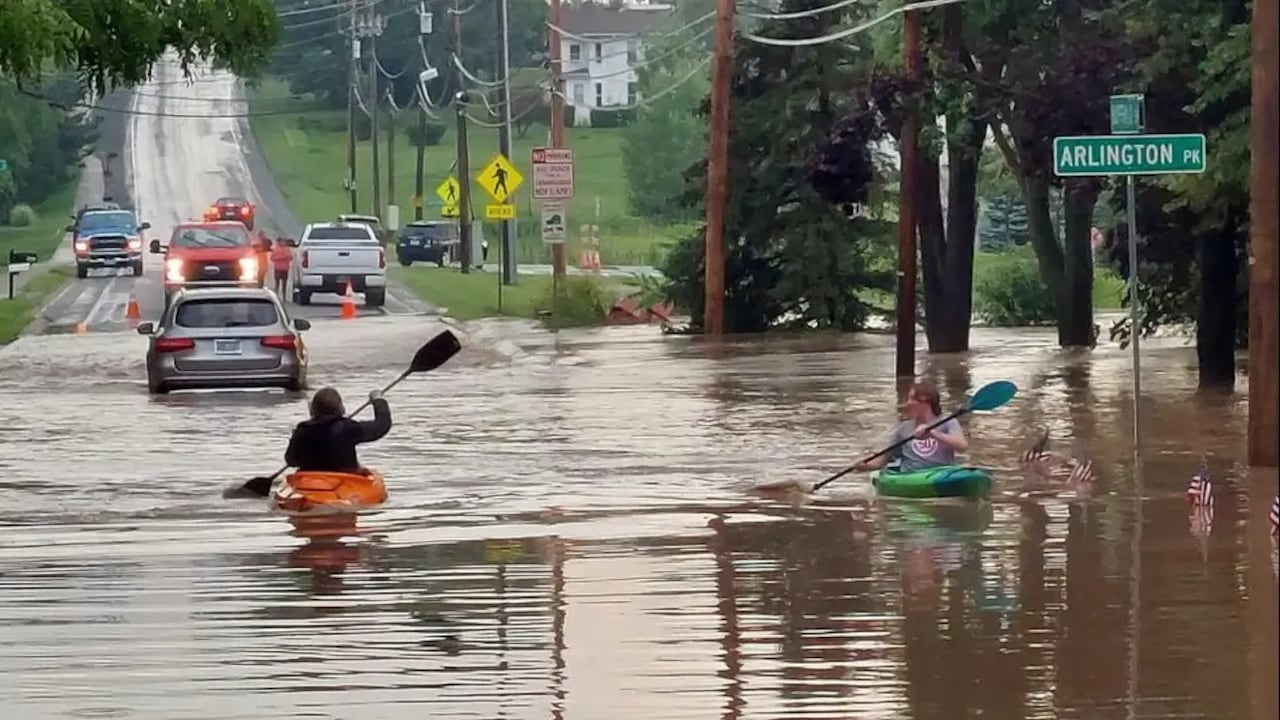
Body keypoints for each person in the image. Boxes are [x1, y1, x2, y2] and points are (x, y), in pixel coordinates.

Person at [854, 381, 968, 473]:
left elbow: (962, 447)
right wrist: (866, 465)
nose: (907, 403)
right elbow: (884, 459)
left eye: (912, 399)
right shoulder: (904, 429)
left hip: (940, 473)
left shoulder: (948, 422)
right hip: (910, 475)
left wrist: (933, 433)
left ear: (926, 401)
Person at [285, 387, 392, 473]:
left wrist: (295, 438)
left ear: (312, 409)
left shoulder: (303, 430)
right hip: (345, 481)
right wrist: (379, 401)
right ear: (341, 408)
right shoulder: (348, 428)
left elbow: (291, 461)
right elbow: (381, 426)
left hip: (309, 482)